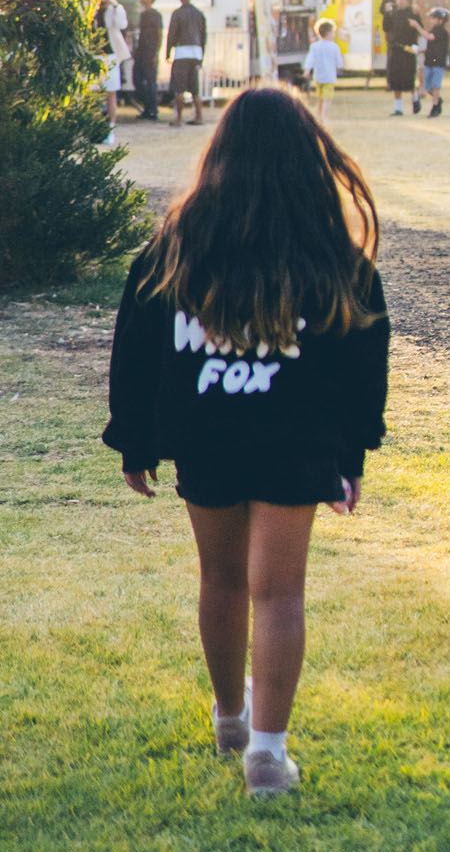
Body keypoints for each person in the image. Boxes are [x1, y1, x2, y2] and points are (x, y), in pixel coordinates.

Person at [102, 87, 390, 796]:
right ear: (307, 158)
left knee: (221, 580)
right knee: (279, 593)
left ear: (219, 154)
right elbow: (363, 357)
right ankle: (267, 753)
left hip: (206, 436)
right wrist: (349, 457)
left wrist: (135, 442)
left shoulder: (174, 247)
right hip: (297, 443)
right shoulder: (333, 258)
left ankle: (230, 717)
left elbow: (134, 347)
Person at [93, 0, 130, 144]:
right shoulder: (92, 9)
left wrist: (113, 6)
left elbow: (121, 25)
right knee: (95, 93)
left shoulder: (115, 8)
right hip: (94, 55)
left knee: (111, 92)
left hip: (110, 54)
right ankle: (95, 128)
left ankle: (110, 128)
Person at [166, 0, 207, 127]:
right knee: (194, 88)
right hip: (196, 52)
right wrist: (202, 55)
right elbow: (203, 36)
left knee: (179, 87)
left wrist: (167, 52)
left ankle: (178, 119)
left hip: (182, 52)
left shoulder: (178, 13)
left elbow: (172, 34)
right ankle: (199, 116)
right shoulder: (199, 14)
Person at [383, 0, 427, 116]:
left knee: (408, 78)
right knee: (395, 79)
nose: (400, 1)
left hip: (408, 50)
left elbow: (419, 29)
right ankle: (398, 108)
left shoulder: (413, 14)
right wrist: (386, 13)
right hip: (395, 49)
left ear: (409, 0)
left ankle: (414, 98)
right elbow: (386, 28)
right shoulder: (392, 13)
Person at [303, 20, 343, 124]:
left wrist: (307, 70)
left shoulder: (315, 46)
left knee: (320, 98)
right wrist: (340, 66)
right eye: (333, 32)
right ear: (329, 33)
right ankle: (325, 118)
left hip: (318, 76)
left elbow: (310, 59)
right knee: (327, 99)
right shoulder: (334, 47)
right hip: (329, 77)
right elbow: (339, 61)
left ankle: (319, 116)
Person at [132, 0, 163, 122]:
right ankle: (147, 107)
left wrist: (157, 52)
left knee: (150, 81)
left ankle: (152, 109)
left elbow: (159, 33)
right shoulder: (143, 14)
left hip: (150, 52)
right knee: (137, 79)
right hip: (141, 51)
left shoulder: (155, 15)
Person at [422, 6, 450, 117]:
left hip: (438, 62)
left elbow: (429, 37)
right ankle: (438, 100)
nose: (431, 20)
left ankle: (435, 106)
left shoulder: (442, 31)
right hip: (429, 61)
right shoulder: (433, 30)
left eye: (433, 18)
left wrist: (417, 26)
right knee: (428, 87)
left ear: (440, 20)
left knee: (435, 85)